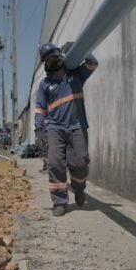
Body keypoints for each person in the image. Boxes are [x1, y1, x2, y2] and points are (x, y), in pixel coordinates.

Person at [34, 42, 98, 216]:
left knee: (80, 162)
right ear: (45, 64)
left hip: (77, 126)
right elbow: (40, 108)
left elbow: (93, 63)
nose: (52, 60)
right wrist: (39, 130)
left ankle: (78, 188)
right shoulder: (45, 84)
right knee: (55, 163)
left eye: (54, 56)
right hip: (55, 128)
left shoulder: (76, 75)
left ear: (60, 57)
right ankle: (59, 202)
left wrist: (80, 48)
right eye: (48, 59)